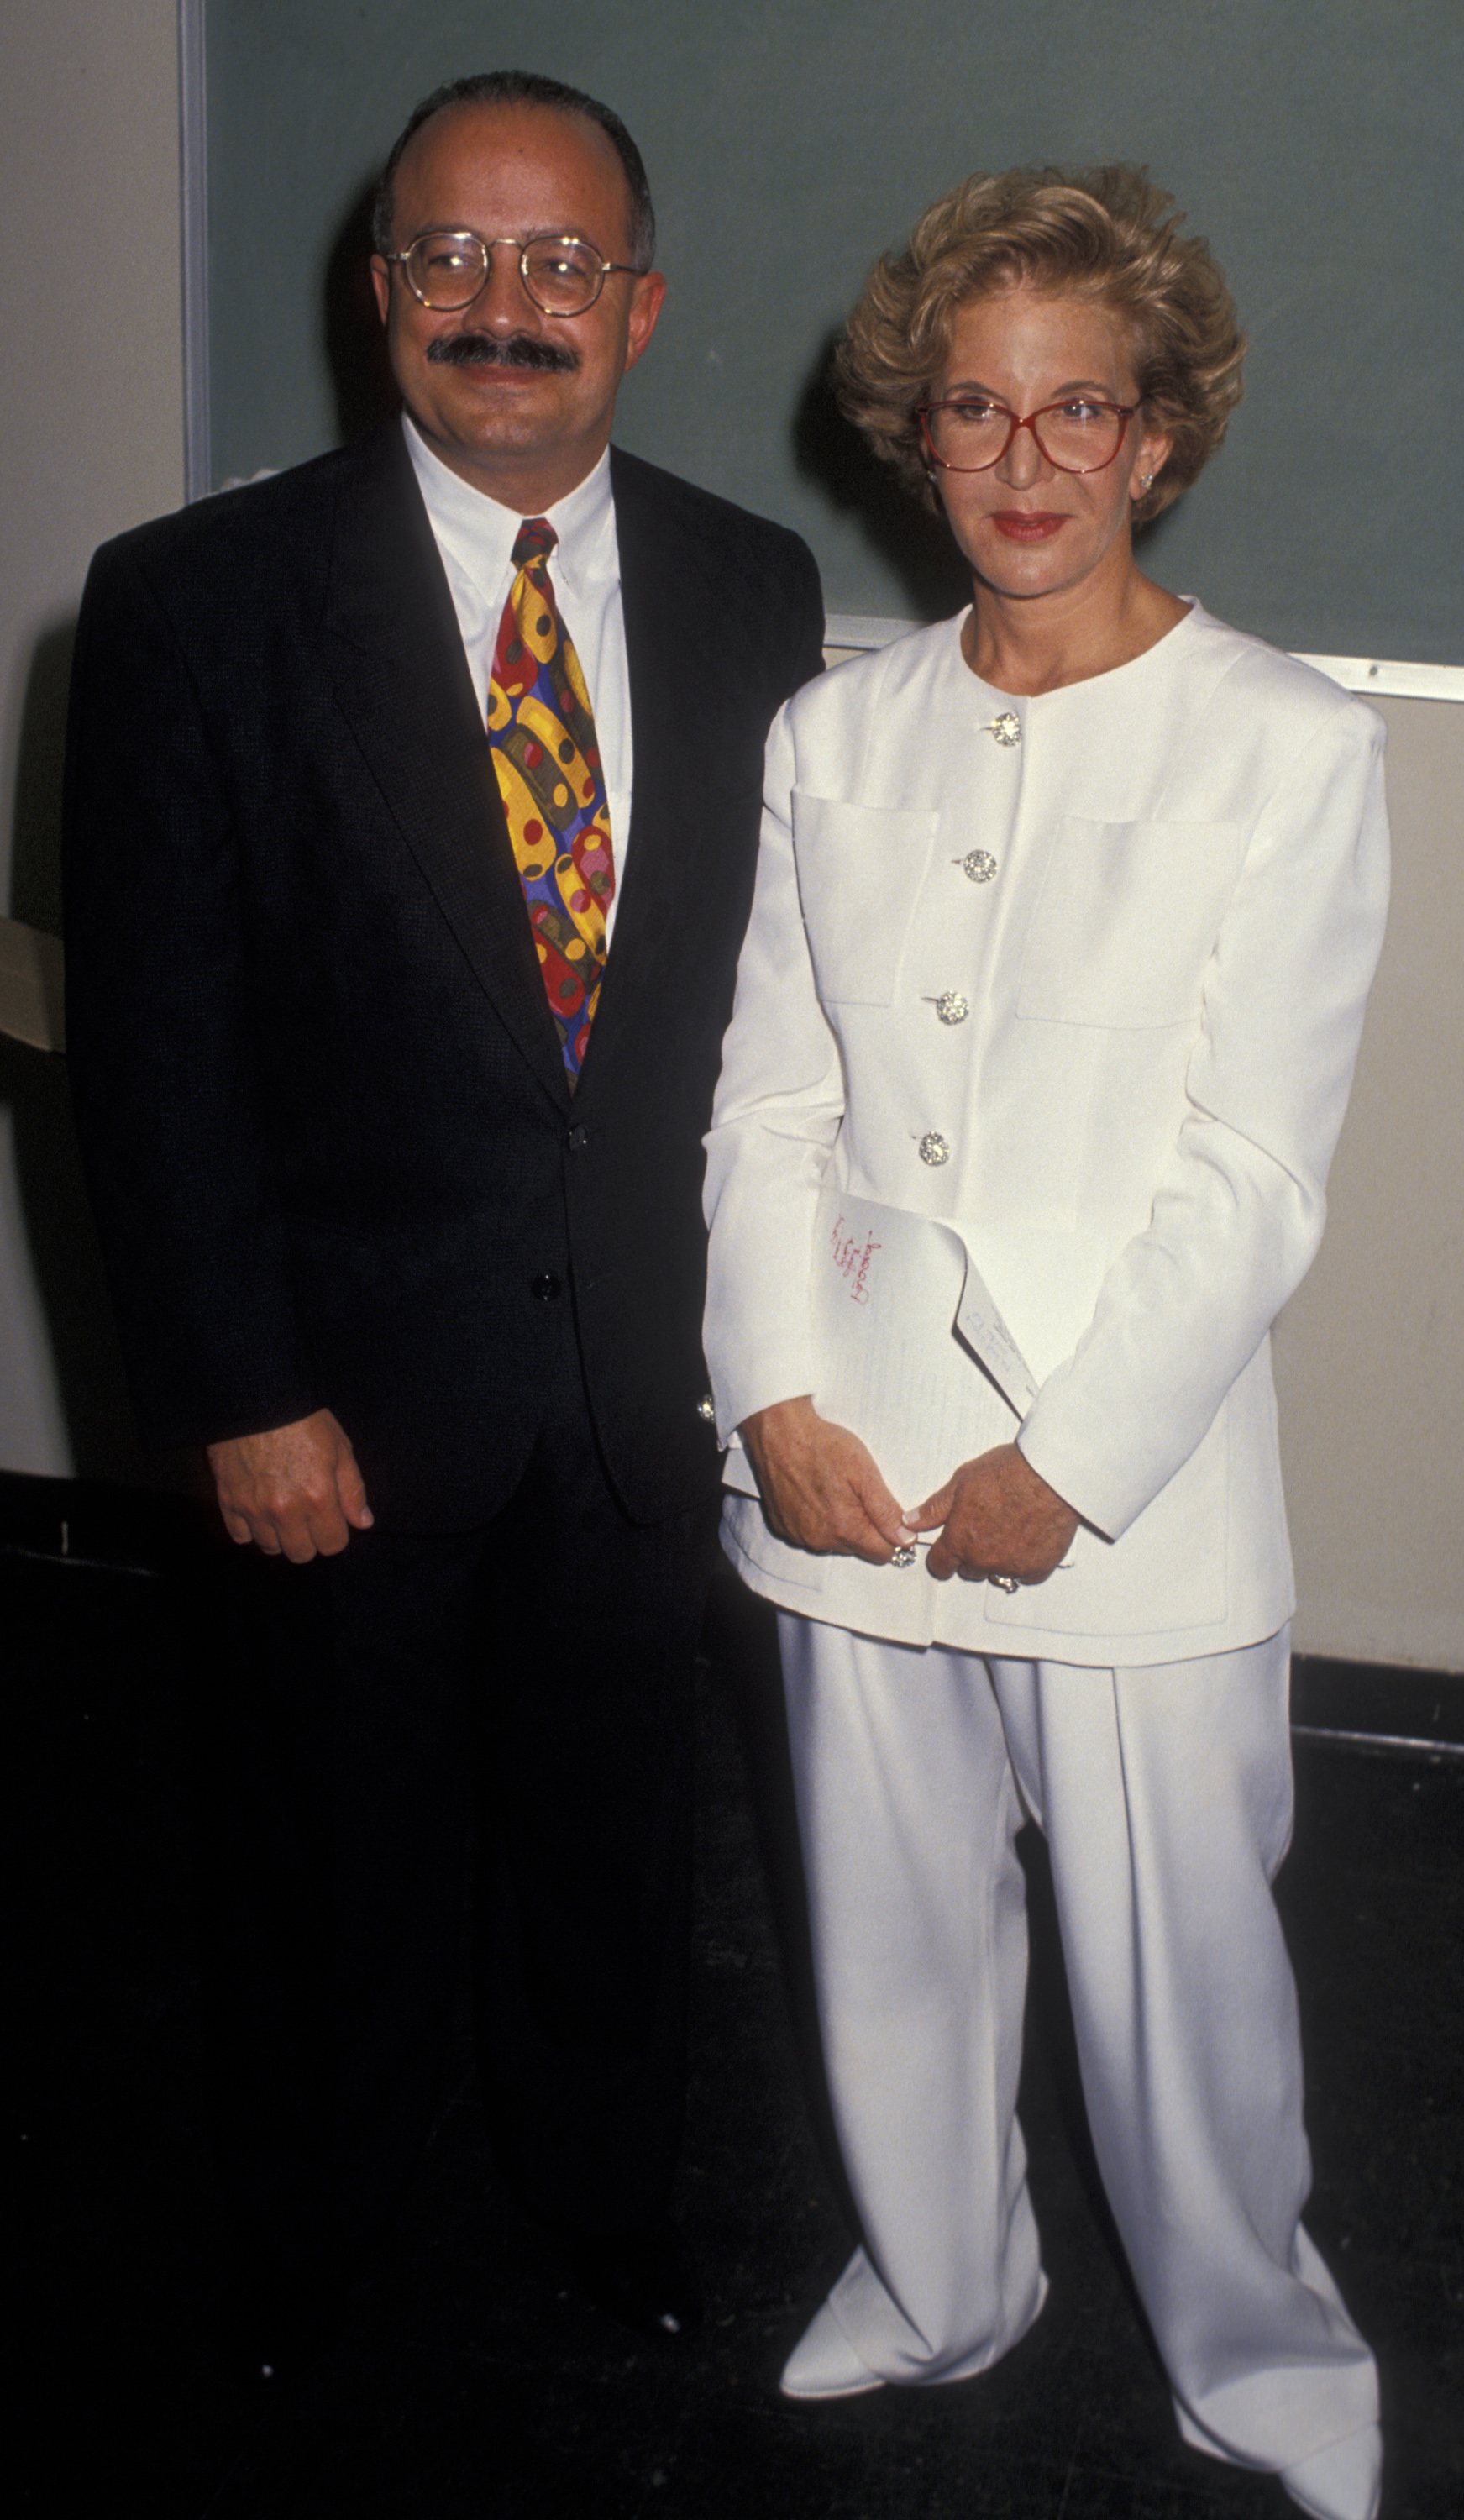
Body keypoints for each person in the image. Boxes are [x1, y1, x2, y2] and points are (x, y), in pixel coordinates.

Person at [63, 69, 823, 2359]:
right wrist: (241, 1394)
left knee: (613, 1844)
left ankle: (605, 2205)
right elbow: (157, 1051)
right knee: (330, 1857)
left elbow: (771, 1013)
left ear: (646, 305)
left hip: (631, 1381)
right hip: (341, 1402)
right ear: (379, 292)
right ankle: (324, 2223)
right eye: (452, 261)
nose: (506, 308)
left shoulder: (750, 584)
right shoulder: (191, 602)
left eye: (560, 263)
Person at [702, 165, 1386, 2520]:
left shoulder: (1285, 747)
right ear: (913, 431)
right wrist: (773, 1396)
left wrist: (1071, 1458)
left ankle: (1263, 2358)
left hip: (1135, 1482)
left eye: (1076, 407)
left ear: (1160, 435)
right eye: (973, 408)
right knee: (887, 1932)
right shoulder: (834, 738)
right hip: (845, 1467)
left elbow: (1255, 1173)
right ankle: (938, 2278)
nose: (1022, 458)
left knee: (1183, 1976)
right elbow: (774, 1095)